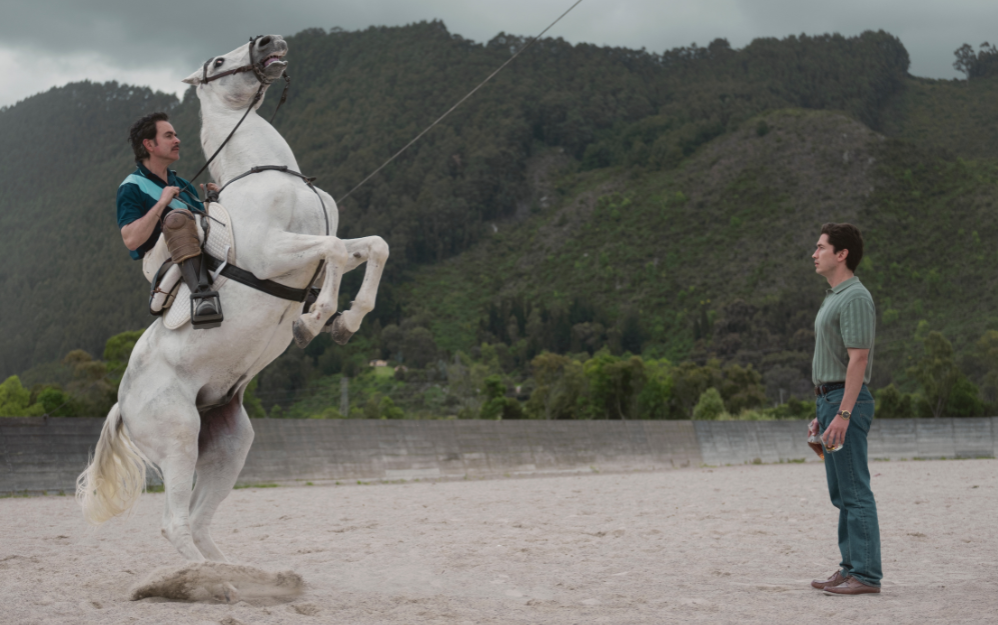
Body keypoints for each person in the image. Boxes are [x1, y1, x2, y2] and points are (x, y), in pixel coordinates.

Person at [807, 223, 882, 595]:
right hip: (831, 400)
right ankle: (850, 567)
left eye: (821, 247)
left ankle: (866, 576)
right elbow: (834, 359)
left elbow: (858, 359)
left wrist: (843, 413)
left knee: (855, 490)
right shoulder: (835, 296)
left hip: (845, 402)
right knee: (841, 492)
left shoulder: (855, 297)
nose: (814, 254)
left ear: (842, 254)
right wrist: (822, 411)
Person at [117, 112, 221, 325]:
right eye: (169, 136)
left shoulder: (183, 184)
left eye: (175, 135)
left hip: (195, 251)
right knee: (177, 219)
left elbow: (205, 226)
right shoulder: (131, 187)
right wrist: (162, 203)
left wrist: (215, 202)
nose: (177, 140)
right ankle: (202, 298)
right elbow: (131, 240)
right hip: (156, 260)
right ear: (149, 144)